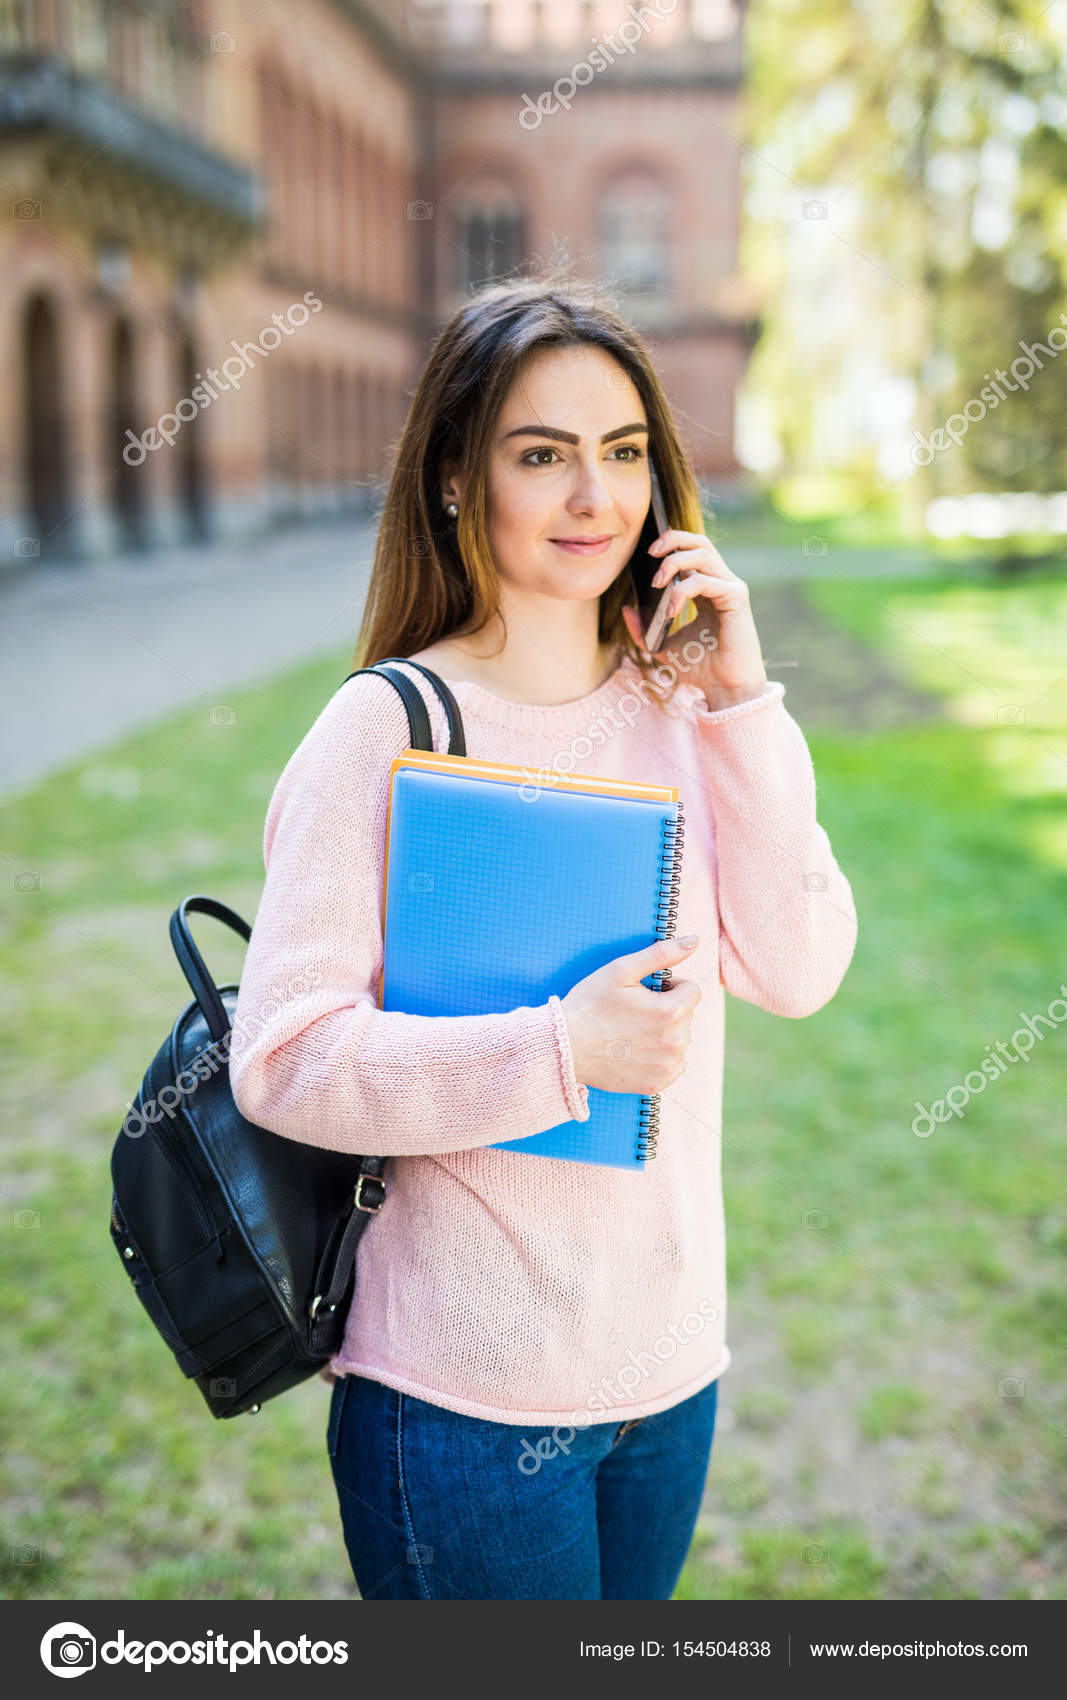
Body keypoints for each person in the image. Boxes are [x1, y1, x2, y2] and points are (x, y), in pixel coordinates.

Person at [229, 272, 858, 1600]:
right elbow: (283, 1060)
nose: (596, 496)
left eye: (624, 453)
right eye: (543, 454)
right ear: (458, 478)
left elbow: (797, 968)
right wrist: (563, 1050)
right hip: (462, 1403)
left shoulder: (684, 708)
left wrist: (743, 704)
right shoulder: (386, 729)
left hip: (672, 1372)